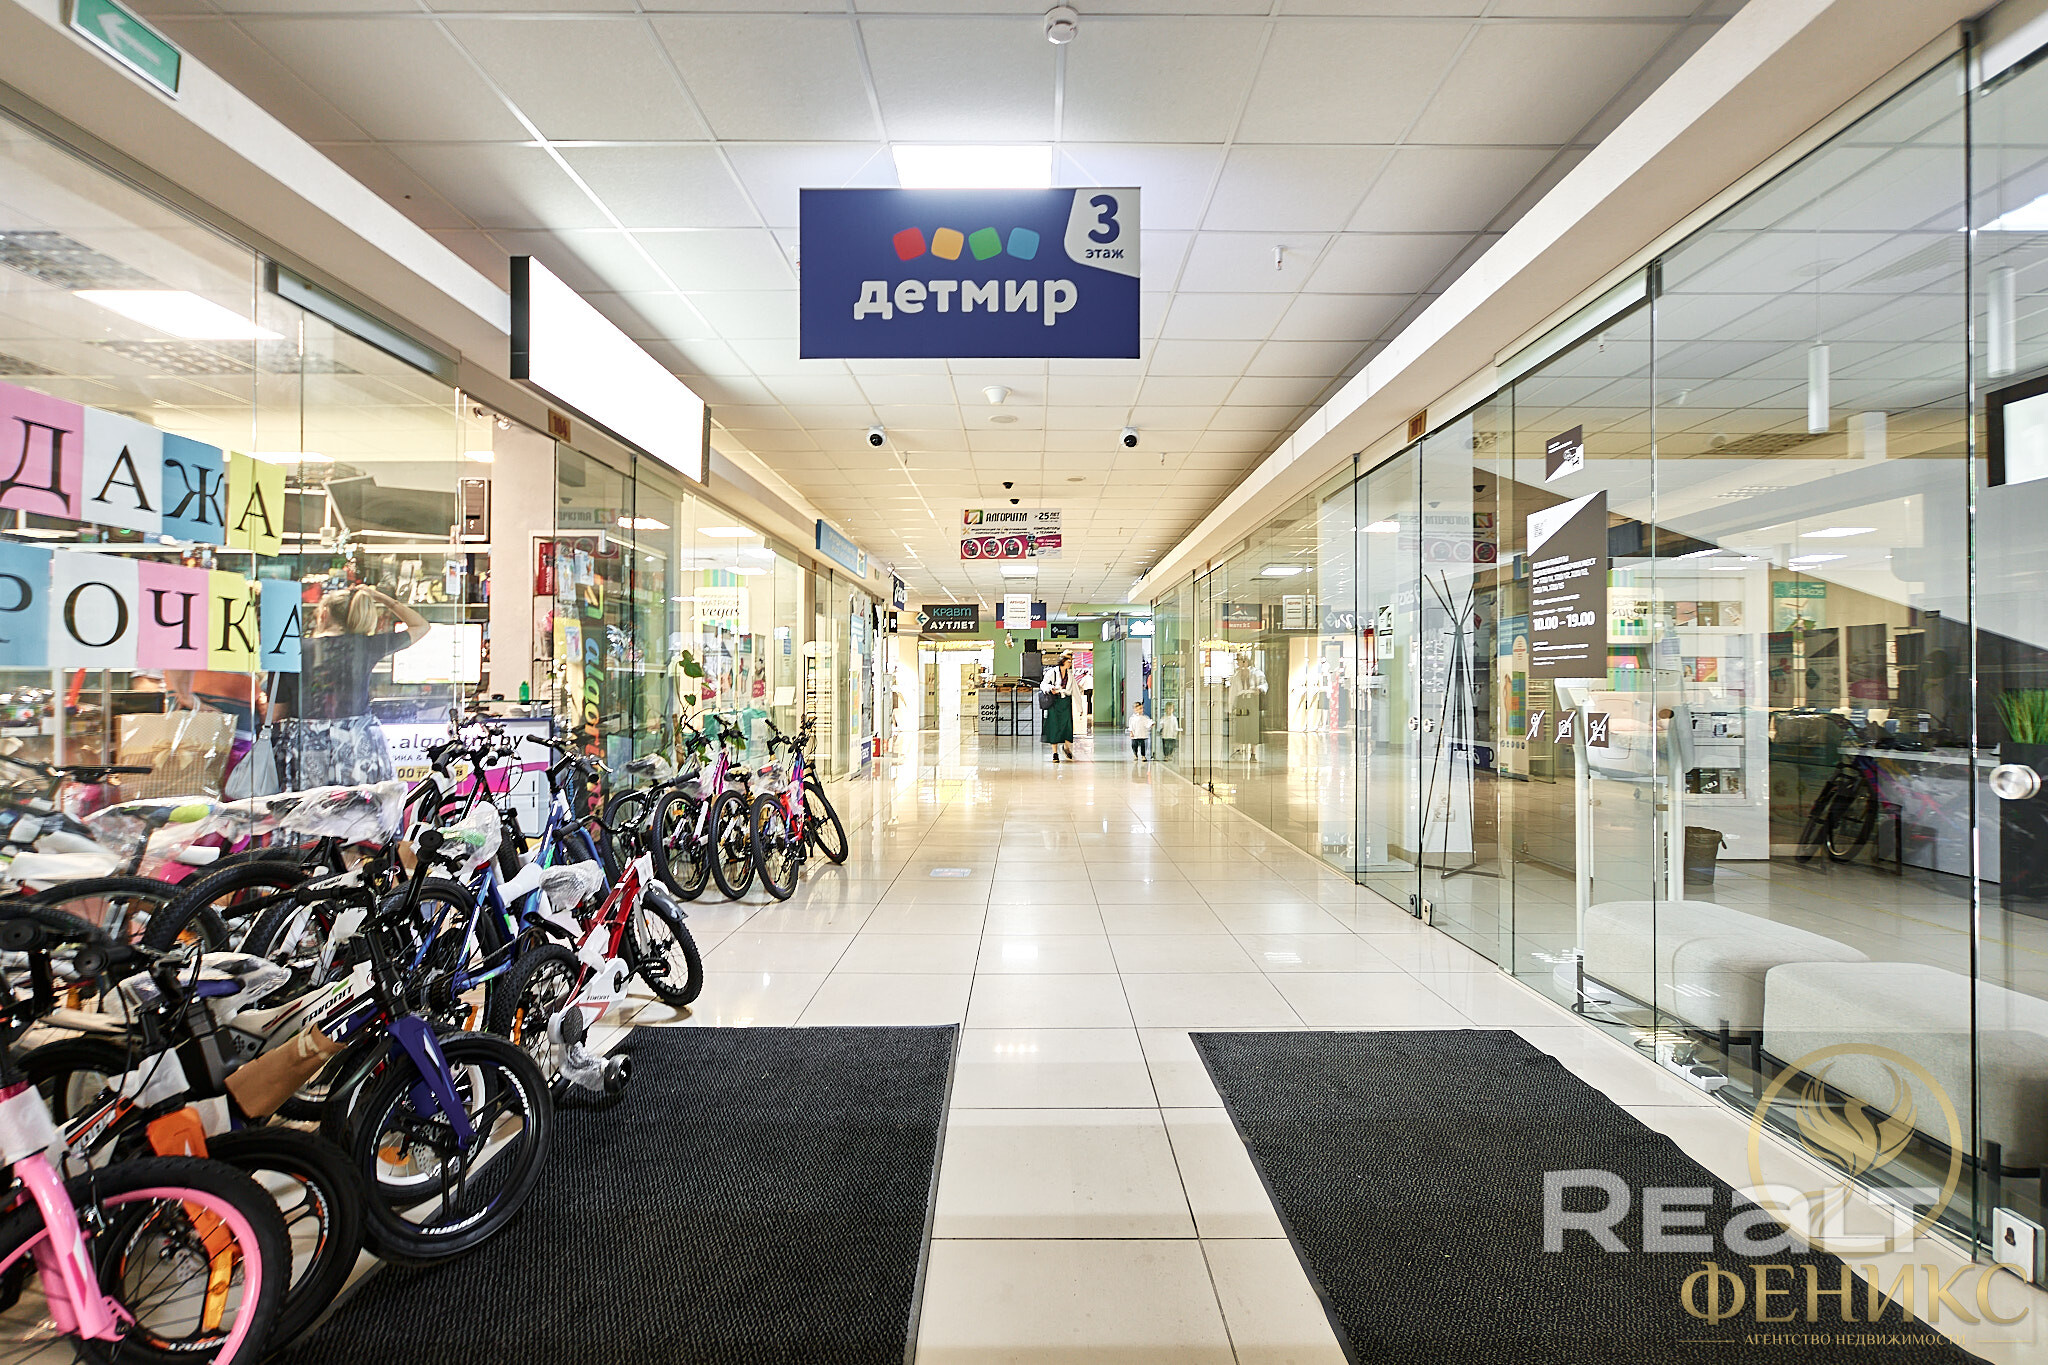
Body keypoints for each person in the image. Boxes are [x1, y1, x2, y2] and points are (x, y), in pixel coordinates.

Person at [272, 583, 429, 789]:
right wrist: (380, 597)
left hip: (303, 747)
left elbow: (276, 714)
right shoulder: (366, 645)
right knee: (358, 807)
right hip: (356, 743)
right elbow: (421, 626)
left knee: (306, 808)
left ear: (323, 614)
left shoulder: (291, 650)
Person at [1040, 654, 1074, 763]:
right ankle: (1055, 753)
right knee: (1054, 726)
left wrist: (1080, 708)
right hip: (1055, 702)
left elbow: (1074, 689)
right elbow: (1043, 684)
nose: (1070, 663)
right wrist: (1050, 688)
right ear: (1063, 661)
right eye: (1068, 661)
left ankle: (1066, 747)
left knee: (1068, 727)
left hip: (1066, 702)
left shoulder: (1070, 674)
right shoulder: (1052, 672)